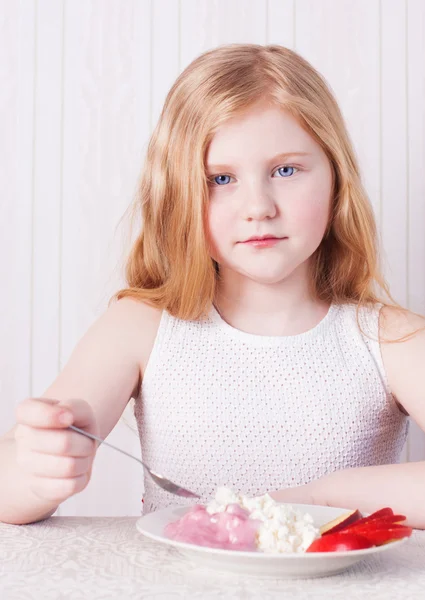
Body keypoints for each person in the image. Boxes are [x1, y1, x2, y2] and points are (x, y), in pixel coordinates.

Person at [1, 44, 424, 528]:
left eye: (286, 170)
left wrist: (326, 496)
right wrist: (38, 473)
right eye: (220, 179)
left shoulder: (391, 340)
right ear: (178, 195)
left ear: (336, 178)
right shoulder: (140, 327)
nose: (258, 206)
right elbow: (8, 482)